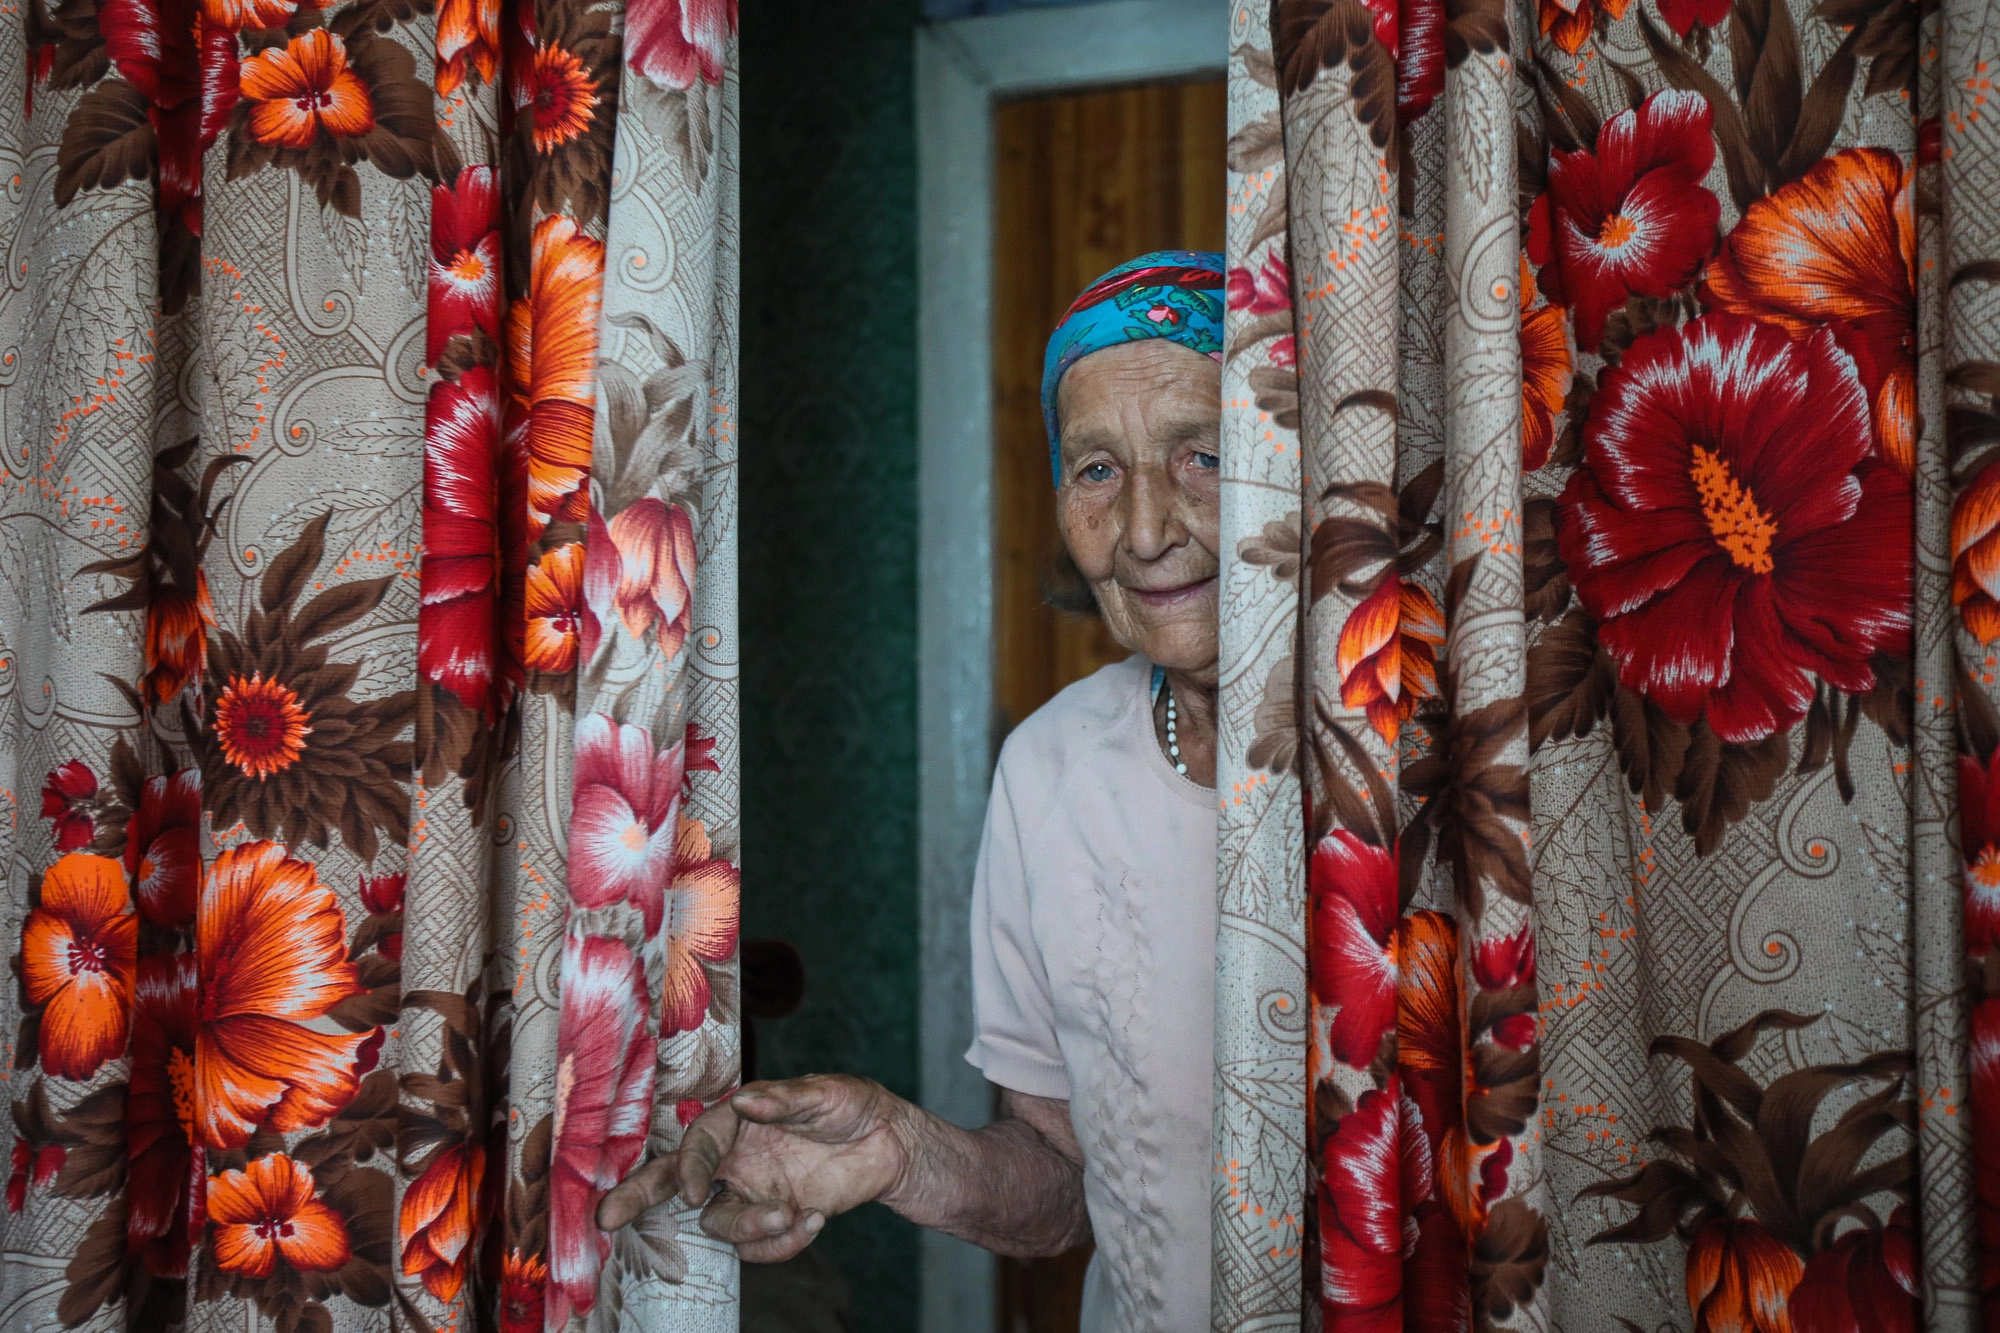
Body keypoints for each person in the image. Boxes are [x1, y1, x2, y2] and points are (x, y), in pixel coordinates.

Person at [599, 251, 1228, 1330]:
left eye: (1204, 453)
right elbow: (1077, 1186)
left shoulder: (1433, 773)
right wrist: (900, 1149)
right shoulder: (1047, 771)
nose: (1145, 530)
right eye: (1095, 470)